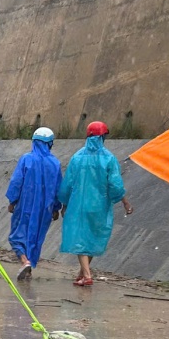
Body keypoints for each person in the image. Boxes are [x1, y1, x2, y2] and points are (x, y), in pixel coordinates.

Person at [58, 121, 132, 286]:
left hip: (79, 205)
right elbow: (116, 185)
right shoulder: (109, 158)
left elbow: (67, 184)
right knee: (92, 238)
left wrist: (64, 205)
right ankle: (82, 274)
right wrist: (125, 203)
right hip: (100, 206)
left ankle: (87, 275)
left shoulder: (77, 157)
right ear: (103, 137)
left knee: (80, 239)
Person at [4, 126, 62, 280]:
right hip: (45, 209)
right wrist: (56, 208)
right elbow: (58, 188)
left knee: (17, 235)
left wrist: (12, 201)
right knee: (36, 238)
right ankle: (28, 269)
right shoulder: (55, 163)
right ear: (50, 143)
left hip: (26, 205)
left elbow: (16, 181)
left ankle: (25, 261)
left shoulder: (26, 159)